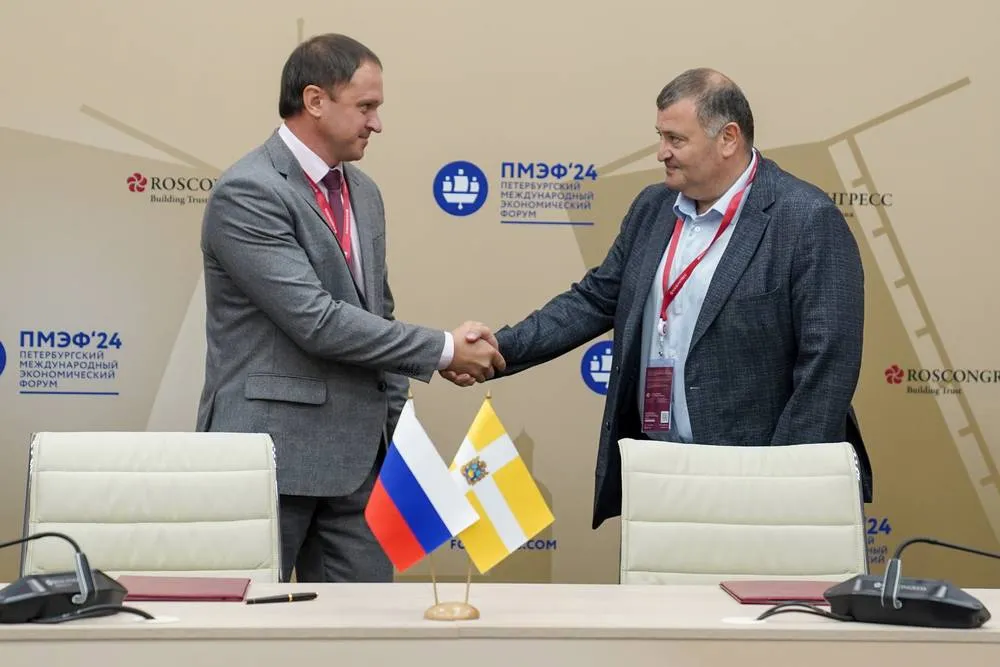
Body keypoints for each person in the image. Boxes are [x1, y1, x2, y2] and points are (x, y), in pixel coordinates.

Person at [444, 68, 872, 530]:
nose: (661, 152)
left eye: (675, 139)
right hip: (657, 468)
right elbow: (593, 300)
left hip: (758, 481)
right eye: (660, 136)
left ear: (728, 139)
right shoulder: (652, 208)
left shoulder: (805, 219)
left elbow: (828, 363)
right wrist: (498, 350)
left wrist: (781, 484)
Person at [196, 33, 505, 583]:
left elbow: (375, 316)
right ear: (315, 100)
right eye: (366, 107)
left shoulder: (364, 193)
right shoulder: (249, 191)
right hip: (272, 459)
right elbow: (315, 320)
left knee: (365, 625)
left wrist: (396, 432)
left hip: (363, 461)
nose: (376, 123)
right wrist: (442, 349)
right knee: (249, 623)